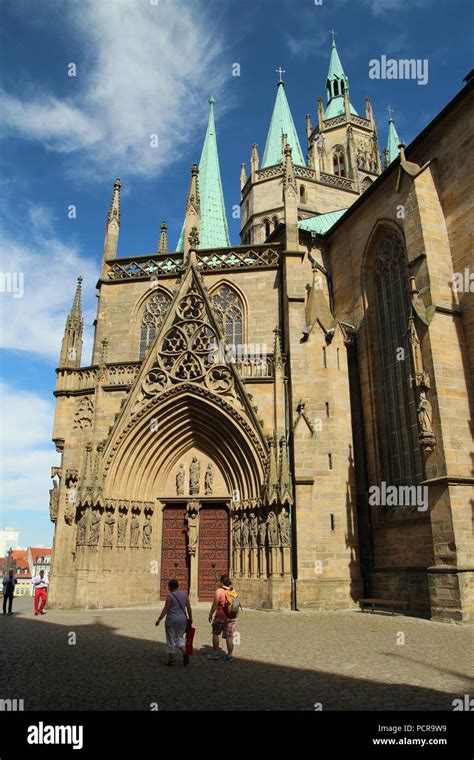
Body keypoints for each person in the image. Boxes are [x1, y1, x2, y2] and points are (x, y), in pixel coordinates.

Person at [155, 579, 193, 667]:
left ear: (169, 587)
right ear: (178, 586)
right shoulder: (184, 594)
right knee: (179, 637)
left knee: (171, 638)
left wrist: (159, 619)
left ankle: (171, 660)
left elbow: (166, 608)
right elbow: (189, 608)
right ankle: (184, 651)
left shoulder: (170, 596)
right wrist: (190, 619)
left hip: (172, 619)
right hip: (183, 619)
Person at [208, 575, 240, 663]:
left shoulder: (219, 591)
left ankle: (215, 654)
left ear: (221, 582)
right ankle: (229, 656)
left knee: (215, 633)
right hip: (232, 617)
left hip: (221, 616)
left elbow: (215, 604)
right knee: (229, 636)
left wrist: (210, 614)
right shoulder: (233, 591)